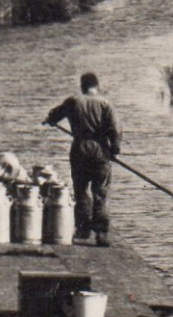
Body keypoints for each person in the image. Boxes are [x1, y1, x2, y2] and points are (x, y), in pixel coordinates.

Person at [43, 72, 121, 245]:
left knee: (81, 190)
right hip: (100, 150)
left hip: (79, 149)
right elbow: (115, 129)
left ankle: (83, 228)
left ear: (82, 86)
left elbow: (55, 114)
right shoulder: (105, 103)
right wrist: (114, 149)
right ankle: (101, 233)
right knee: (100, 191)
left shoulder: (73, 101)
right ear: (96, 86)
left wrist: (50, 120)